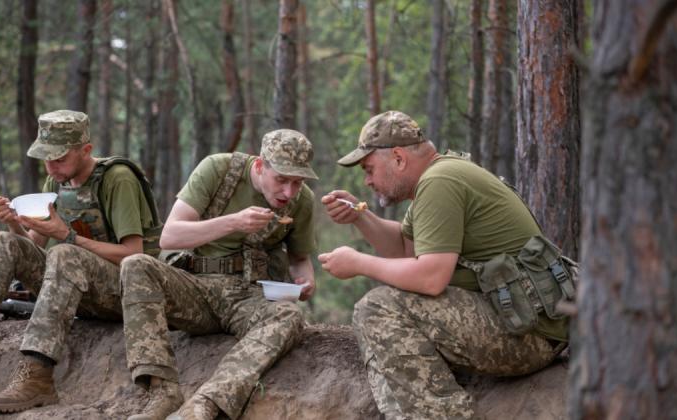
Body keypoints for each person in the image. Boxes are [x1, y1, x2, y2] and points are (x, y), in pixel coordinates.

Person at [0, 110, 163, 414]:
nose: (51, 166)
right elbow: (30, 247)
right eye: (46, 159)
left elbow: (134, 255)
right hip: (81, 287)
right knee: (4, 242)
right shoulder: (56, 181)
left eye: (59, 159)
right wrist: (13, 223)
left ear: (85, 150)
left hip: (129, 295)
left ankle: (36, 376)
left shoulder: (117, 179)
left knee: (64, 253)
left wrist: (69, 237)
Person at [318, 110, 571, 419]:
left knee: (377, 308)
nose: (367, 180)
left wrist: (358, 262)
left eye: (369, 169)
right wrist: (361, 217)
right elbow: (406, 250)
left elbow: (431, 278)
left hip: (530, 332)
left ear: (398, 158)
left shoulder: (440, 182)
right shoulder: (439, 177)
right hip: (529, 321)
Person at [121, 129, 318, 420]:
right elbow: (170, 236)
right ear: (261, 166)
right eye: (281, 180)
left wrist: (305, 280)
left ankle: (205, 404)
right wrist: (234, 222)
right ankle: (162, 392)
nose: (288, 192)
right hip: (195, 288)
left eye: (297, 182)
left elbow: (300, 259)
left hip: (248, 298)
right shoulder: (218, 169)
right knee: (135, 265)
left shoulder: (302, 201)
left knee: (289, 316)